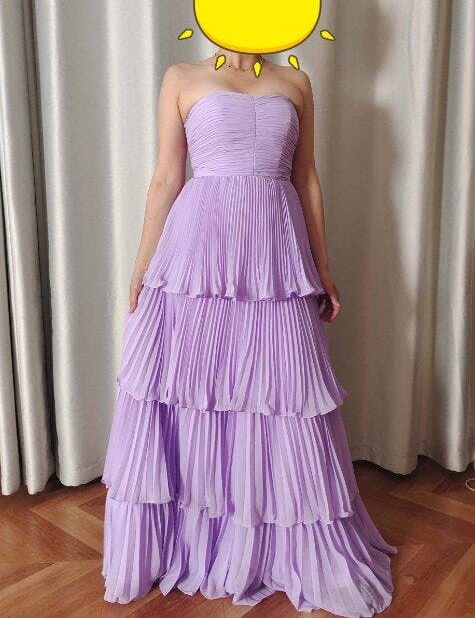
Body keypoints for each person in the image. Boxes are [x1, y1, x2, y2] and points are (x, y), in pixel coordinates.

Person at [101, 49, 397, 616]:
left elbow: (305, 179)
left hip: (275, 256)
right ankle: (197, 540)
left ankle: (275, 547)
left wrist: (323, 266)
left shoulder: (296, 81)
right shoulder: (182, 78)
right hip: (198, 256)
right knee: (198, 393)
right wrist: (142, 267)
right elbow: (167, 177)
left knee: (283, 396)